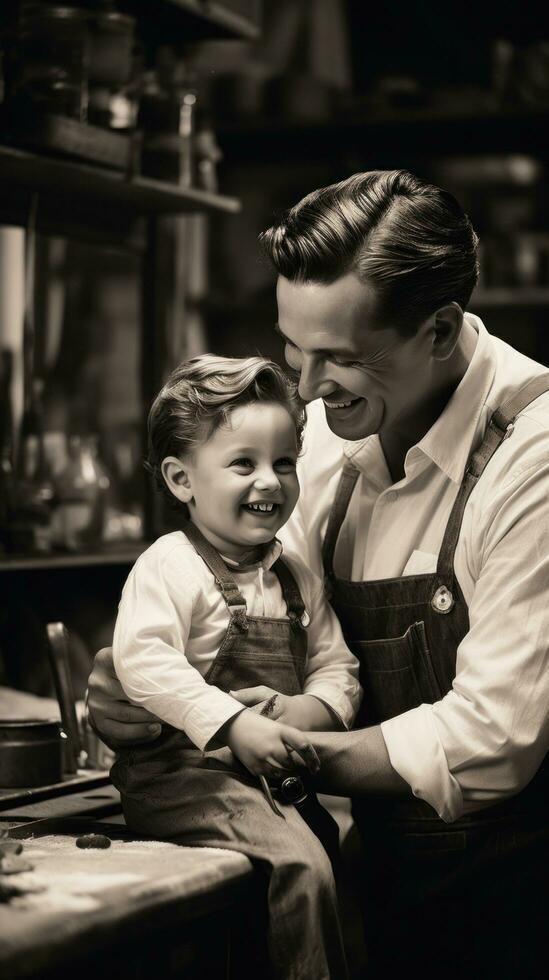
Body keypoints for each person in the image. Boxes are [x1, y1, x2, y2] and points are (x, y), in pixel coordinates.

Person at [88, 171, 549, 978]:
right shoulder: (330, 431)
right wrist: (143, 687)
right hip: (379, 875)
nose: (301, 391)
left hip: (513, 904)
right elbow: (260, 595)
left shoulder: (531, 460)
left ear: (439, 329)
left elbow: (492, 735)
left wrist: (282, 746)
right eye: (292, 348)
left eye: (335, 359)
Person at [108, 352, 361, 980]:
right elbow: (142, 660)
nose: (271, 482)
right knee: (302, 867)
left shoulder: (294, 575)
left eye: (284, 463)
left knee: (340, 857)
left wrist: (306, 711)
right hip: (181, 777)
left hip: (268, 782)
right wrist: (233, 725)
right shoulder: (171, 565)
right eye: (243, 464)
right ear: (180, 479)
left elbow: (339, 667)